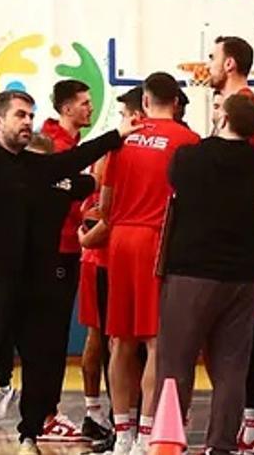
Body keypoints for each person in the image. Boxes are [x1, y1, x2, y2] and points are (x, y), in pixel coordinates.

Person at [0, 89, 137, 455]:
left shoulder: (29, 166)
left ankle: (29, 431)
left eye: (31, 115)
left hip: (23, 279)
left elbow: (74, 161)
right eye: (20, 115)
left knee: (35, 355)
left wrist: (117, 135)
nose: (28, 122)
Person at [83, 72, 200, 455]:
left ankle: (122, 434)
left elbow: (106, 204)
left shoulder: (122, 138)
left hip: (120, 241)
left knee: (119, 340)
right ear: (177, 102)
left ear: (145, 101)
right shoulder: (189, 141)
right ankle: (149, 434)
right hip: (159, 241)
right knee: (155, 342)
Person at [152, 92, 254, 455]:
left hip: (191, 273)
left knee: (175, 364)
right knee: (232, 369)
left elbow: (174, 183)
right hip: (243, 277)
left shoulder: (189, 158)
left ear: (222, 119)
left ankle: (169, 443)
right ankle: (220, 446)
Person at [207, 35, 254, 455]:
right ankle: (251, 421)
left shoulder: (248, 107)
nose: (208, 66)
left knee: (244, 329)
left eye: (213, 58)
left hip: (247, 232)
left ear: (231, 63)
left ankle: (252, 424)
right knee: (240, 329)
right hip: (246, 229)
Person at [20, 81, 100, 445]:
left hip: (68, 250)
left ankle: (42, 413)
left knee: (53, 336)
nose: (90, 108)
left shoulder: (71, 147)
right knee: (46, 338)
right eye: (84, 103)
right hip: (51, 252)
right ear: (66, 109)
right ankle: (43, 416)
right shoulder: (49, 147)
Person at [78, 87, 145, 452]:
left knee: (119, 342)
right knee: (110, 341)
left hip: (114, 253)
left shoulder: (125, 151)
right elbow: (102, 214)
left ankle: (123, 422)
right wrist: (89, 237)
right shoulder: (111, 153)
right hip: (105, 257)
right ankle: (113, 420)